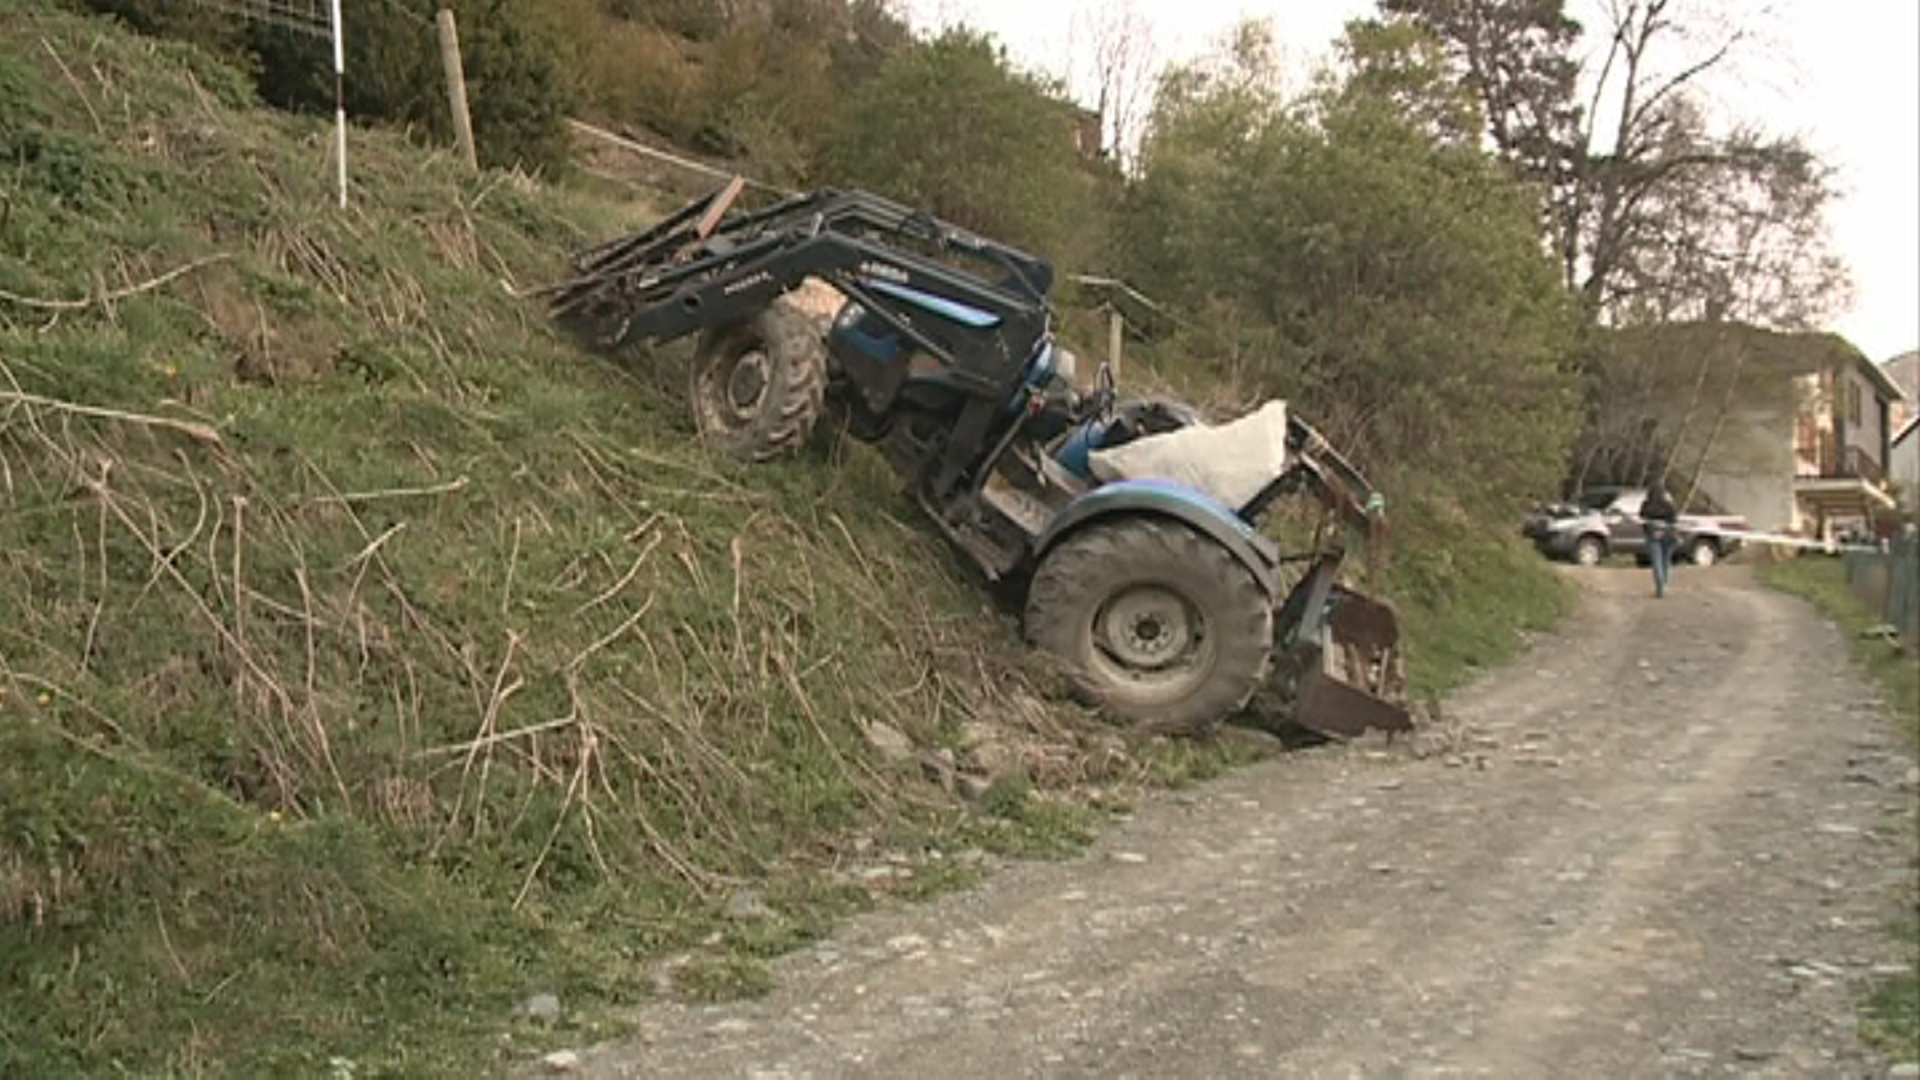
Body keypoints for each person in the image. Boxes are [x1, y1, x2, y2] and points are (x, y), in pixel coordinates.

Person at [1640, 477, 1679, 598]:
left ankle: (1660, 587)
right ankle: (1664, 585)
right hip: (1668, 535)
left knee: (1657, 562)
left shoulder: (1646, 504)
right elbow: (1674, 519)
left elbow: (1642, 516)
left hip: (1652, 535)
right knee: (1666, 561)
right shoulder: (1668, 505)